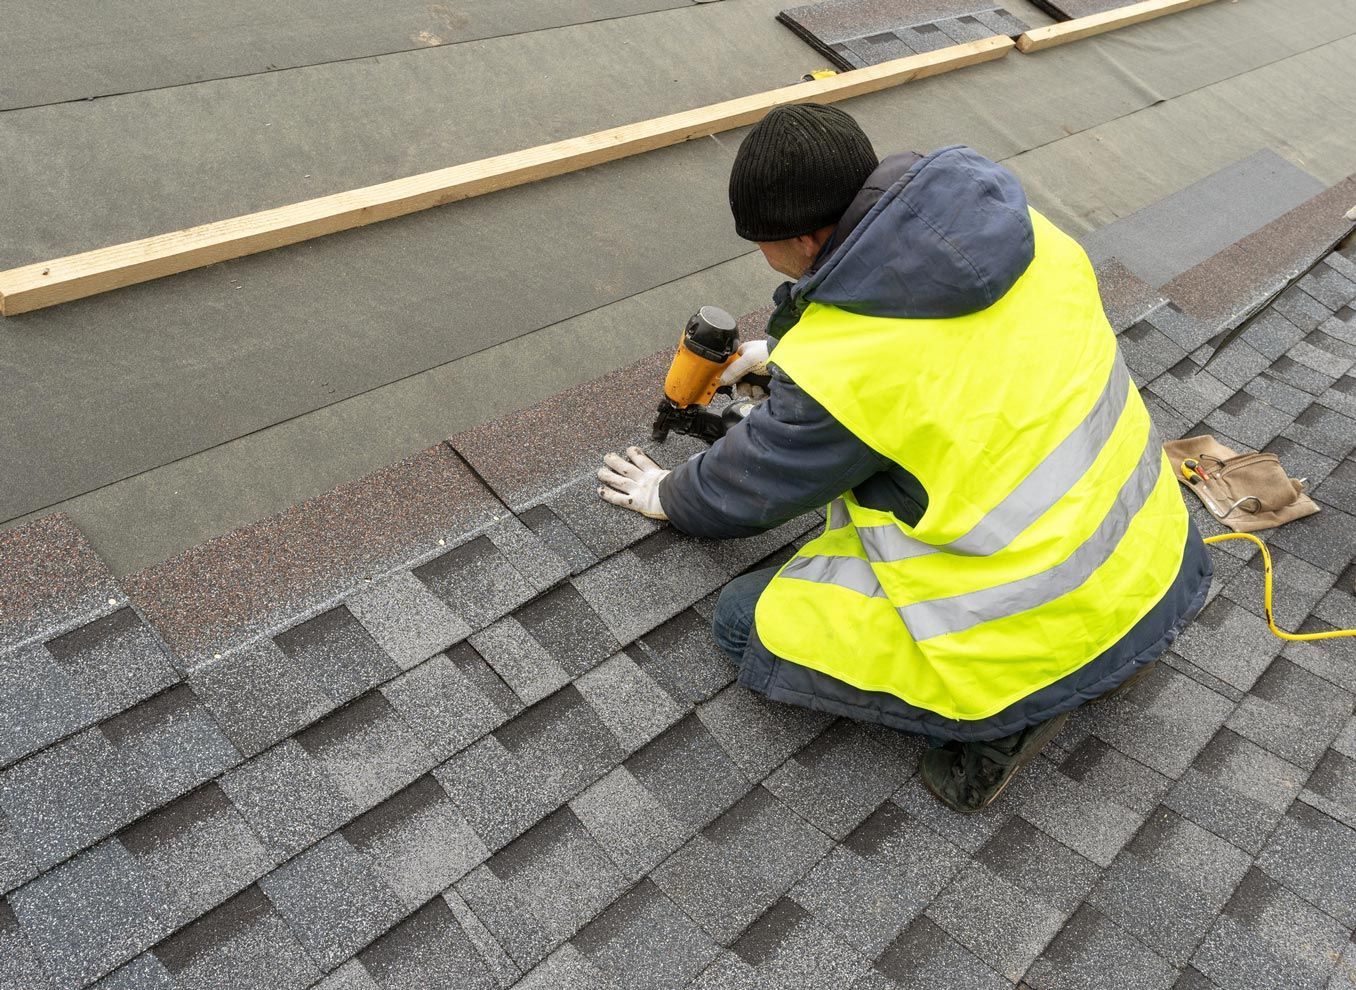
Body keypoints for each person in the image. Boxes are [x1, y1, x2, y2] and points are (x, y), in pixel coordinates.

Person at [596, 104, 1211, 813]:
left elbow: (745, 491)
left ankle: (1006, 717)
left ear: (801, 239)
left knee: (744, 623)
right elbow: (948, 358)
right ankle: (1073, 660)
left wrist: (664, 494)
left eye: (762, 245)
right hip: (1151, 558)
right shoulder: (1028, 238)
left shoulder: (851, 374)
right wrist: (785, 359)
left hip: (1042, 622)